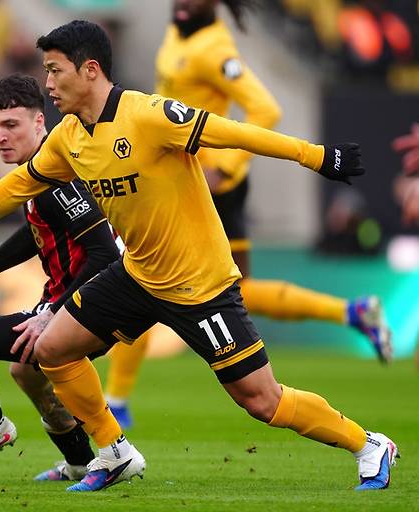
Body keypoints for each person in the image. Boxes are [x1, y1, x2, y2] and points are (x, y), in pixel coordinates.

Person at [0, 20, 398, 493]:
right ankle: (114, 452)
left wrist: (315, 156)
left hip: (200, 286)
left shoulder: (149, 115)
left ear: (90, 70)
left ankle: (369, 444)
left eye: (55, 71)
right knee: (51, 348)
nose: (48, 84)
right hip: (138, 275)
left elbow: (232, 132)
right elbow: (18, 186)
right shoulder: (68, 137)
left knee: (261, 400)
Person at [104, 0, 393, 427]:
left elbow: (266, 108)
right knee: (233, 287)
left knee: (148, 275)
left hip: (207, 188)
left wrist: (227, 166)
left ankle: (116, 399)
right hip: (178, 177)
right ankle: (351, 312)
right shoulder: (176, 35)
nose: (183, 2)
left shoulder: (215, 49)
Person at [0, 73, 121, 481]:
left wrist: (52, 312)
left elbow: (105, 252)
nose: (0, 136)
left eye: (11, 125)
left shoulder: (57, 179)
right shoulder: (39, 172)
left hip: (89, 303)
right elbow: (38, 231)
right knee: (28, 372)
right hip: (74, 299)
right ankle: (79, 462)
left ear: (39, 122)